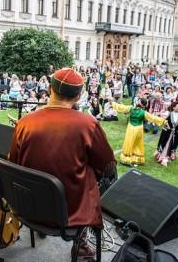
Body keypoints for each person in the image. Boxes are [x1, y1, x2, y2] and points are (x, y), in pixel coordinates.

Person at [9, 68, 115, 260]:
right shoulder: (88, 124)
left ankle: (44, 224)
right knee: (94, 175)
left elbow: (13, 162)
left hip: (27, 205)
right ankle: (81, 245)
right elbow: (107, 166)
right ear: (78, 96)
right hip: (70, 212)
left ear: (50, 89)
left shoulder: (25, 122)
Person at [113, 98, 166, 166]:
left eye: (138, 101)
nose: (137, 101)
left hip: (131, 127)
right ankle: (137, 157)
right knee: (137, 142)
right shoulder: (141, 112)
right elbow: (153, 118)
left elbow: (122, 108)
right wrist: (164, 121)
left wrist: (113, 103)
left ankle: (127, 157)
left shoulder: (131, 108)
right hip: (138, 128)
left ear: (140, 103)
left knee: (129, 141)